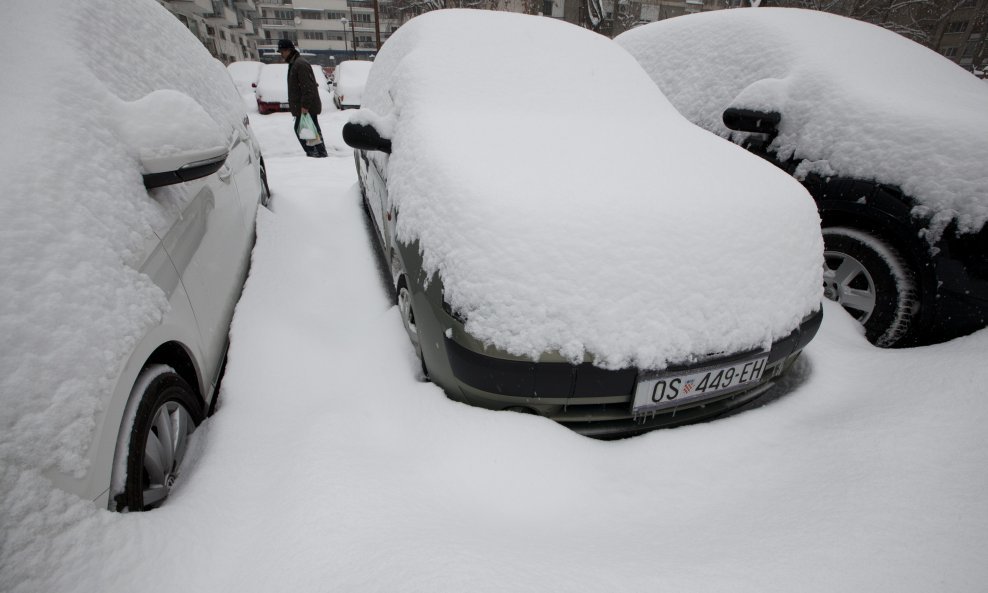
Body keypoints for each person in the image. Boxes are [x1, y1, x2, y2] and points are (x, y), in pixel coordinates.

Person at [278, 39, 328, 158]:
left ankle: (316, 153)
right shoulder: (295, 63)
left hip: (306, 107)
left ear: (288, 50)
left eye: (282, 52)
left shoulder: (300, 64)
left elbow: (307, 87)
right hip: (304, 106)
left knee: (305, 129)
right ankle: (318, 153)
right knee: (311, 129)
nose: (281, 55)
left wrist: (305, 106)